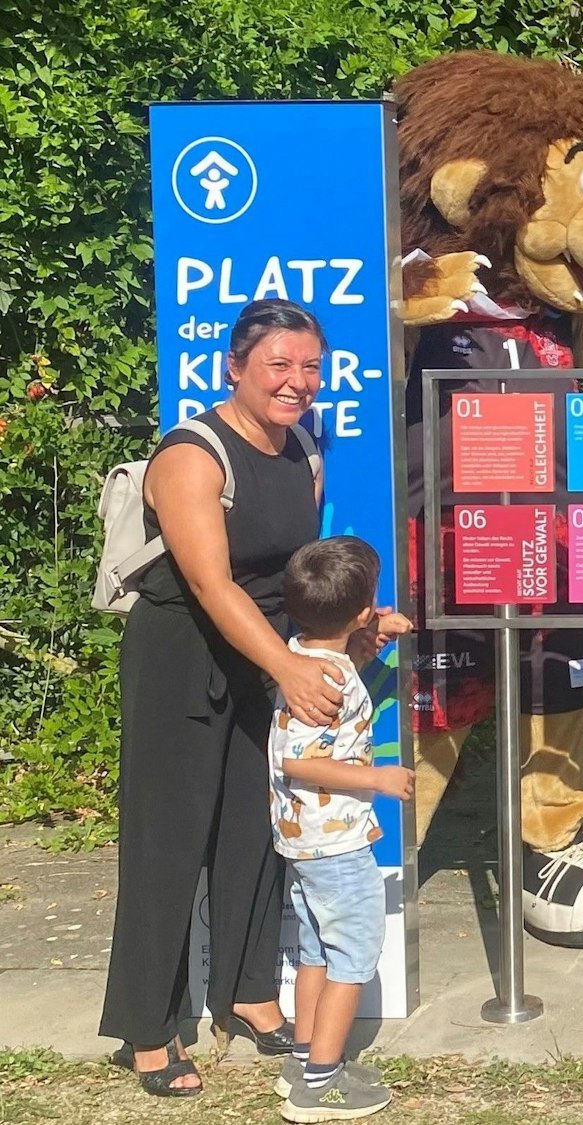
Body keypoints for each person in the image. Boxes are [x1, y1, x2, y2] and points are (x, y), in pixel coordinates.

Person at [99, 300, 350, 1096]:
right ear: (233, 368)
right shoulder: (191, 454)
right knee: (168, 842)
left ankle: (246, 994)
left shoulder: (303, 447)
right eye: (280, 365)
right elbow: (209, 583)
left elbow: (290, 573)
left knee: (259, 830)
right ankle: (147, 1027)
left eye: (310, 366)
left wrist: (350, 626)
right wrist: (289, 666)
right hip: (182, 656)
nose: (298, 382)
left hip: (262, 656)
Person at [266, 536, 414, 1122]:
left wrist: (377, 639)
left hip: (306, 842)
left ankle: (304, 1057)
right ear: (359, 609)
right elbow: (297, 759)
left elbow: (345, 674)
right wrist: (376, 779)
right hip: (335, 844)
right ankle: (320, 1083)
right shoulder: (320, 680)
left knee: (314, 952)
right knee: (353, 955)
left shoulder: (305, 655)